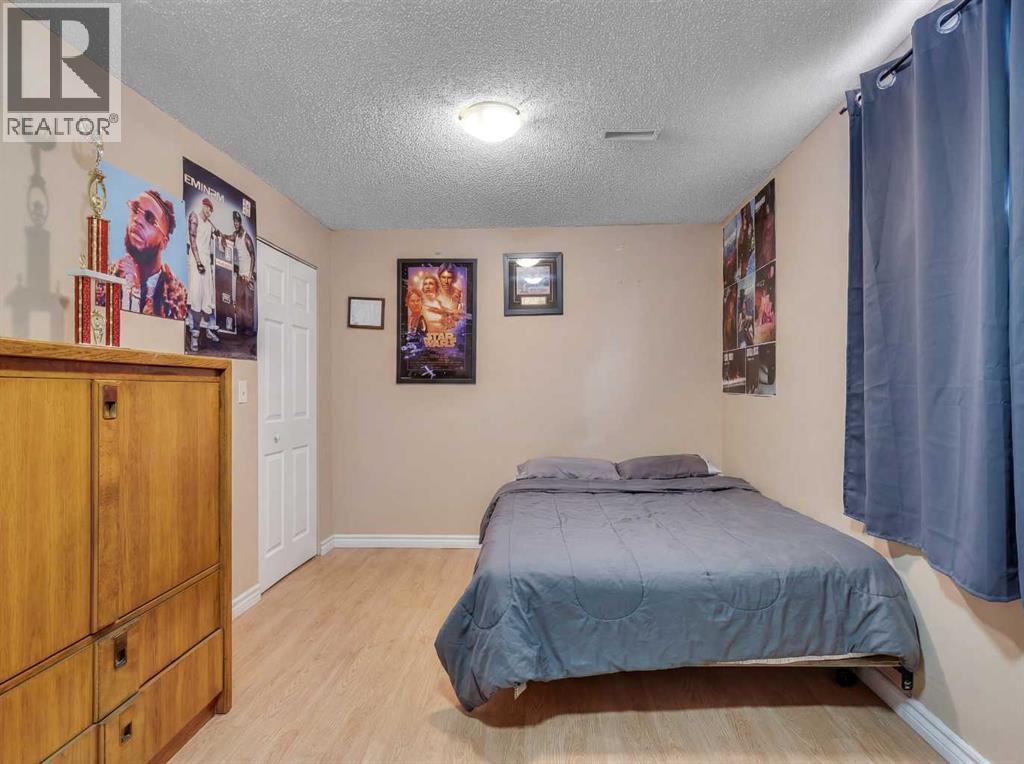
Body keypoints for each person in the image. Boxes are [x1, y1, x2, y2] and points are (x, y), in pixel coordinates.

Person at [113, 190, 187, 319]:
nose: (137, 220)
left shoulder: (177, 297)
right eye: (135, 209)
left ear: (164, 243)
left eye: (150, 218)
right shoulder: (109, 276)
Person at [187, 197, 221, 351]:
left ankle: (206, 328)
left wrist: (221, 236)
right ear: (203, 206)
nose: (209, 212)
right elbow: (193, 241)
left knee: (208, 299)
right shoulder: (194, 217)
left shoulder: (209, 225)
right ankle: (194, 335)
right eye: (208, 209)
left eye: (211, 211)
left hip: (206, 262)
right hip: (196, 260)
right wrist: (199, 262)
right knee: (196, 297)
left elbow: (218, 239)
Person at [224, 211, 256, 334]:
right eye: (234, 222)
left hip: (247, 276)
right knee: (240, 303)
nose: (235, 224)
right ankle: (241, 328)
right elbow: (228, 237)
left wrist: (250, 274)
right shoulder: (236, 235)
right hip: (240, 276)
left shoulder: (246, 237)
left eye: (237, 221)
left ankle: (249, 330)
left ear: (240, 222)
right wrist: (221, 235)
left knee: (248, 305)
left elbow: (253, 256)